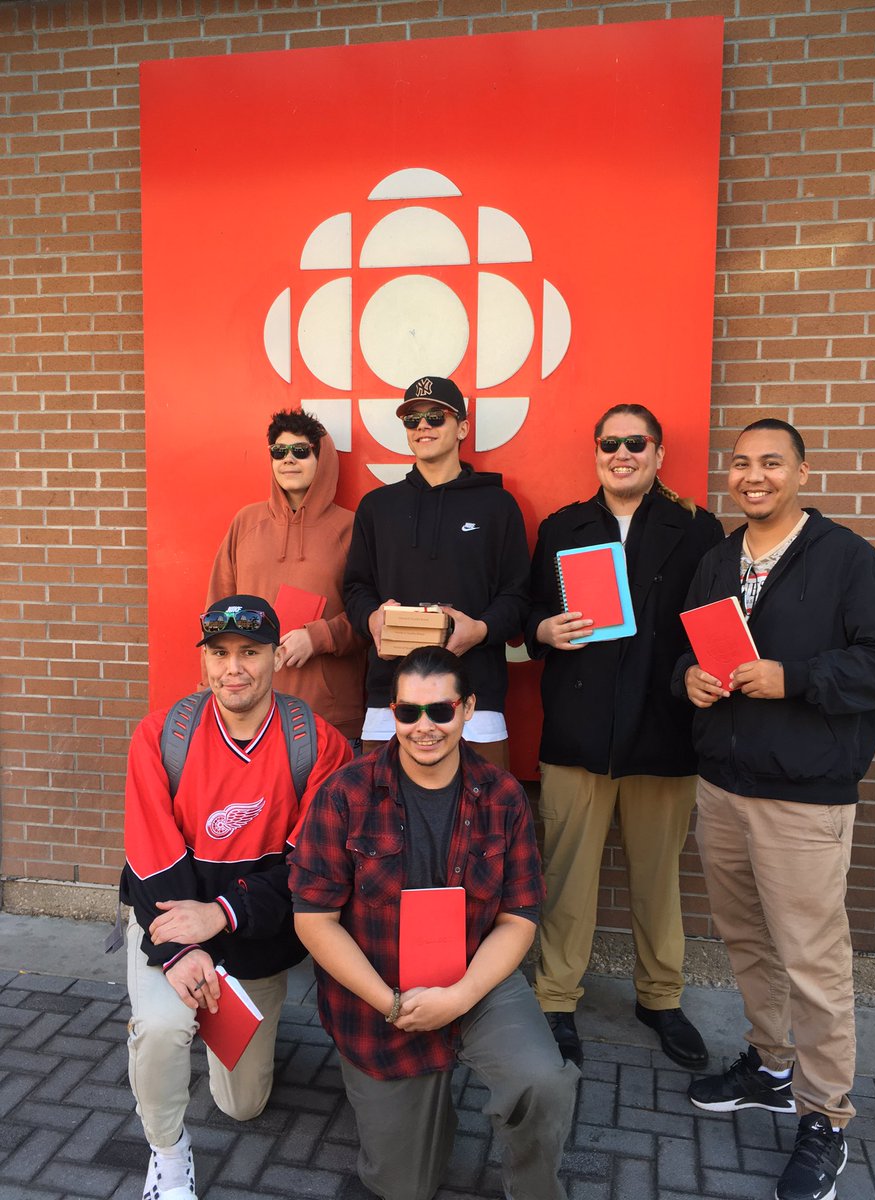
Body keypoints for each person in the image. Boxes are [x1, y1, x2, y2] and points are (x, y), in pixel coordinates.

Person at [675, 419, 875, 1200]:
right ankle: (772, 1066)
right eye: (741, 464)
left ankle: (826, 1117)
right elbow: (692, 650)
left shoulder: (846, 560)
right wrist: (690, 681)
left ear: (803, 473)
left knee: (813, 960)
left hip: (803, 801)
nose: (754, 476)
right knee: (745, 941)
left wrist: (795, 677)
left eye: (772, 463)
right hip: (724, 787)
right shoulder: (717, 559)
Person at [289, 646, 579, 1200]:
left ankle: (536, 1191)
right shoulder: (345, 794)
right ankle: (422, 1115)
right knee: (404, 1188)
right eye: (409, 712)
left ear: (467, 709)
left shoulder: (503, 796)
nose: (425, 727)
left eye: (441, 711)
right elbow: (314, 920)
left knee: (543, 1082)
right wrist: (389, 1002)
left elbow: (519, 918)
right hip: (379, 997)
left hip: (476, 976)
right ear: (392, 712)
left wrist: (464, 994)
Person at [121, 594, 351, 1200]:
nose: (234, 668)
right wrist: (180, 951)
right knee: (163, 1030)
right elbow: (149, 858)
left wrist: (221, 915)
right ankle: (169, 1155)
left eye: (250, 652)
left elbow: (312, 867)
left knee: (244, 1105)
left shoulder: (317, 745)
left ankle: (208, 1035)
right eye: (219, 653)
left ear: (278, 656)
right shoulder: (162, 736)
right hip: (170, 926)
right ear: (204, 661)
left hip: (250, 938)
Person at [526, 404, 723, 1070]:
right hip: (578, 735)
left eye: (635, 442)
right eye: (609, 442)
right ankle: (555, 1001)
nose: (622, 452)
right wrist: (543, 631)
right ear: (597, 453)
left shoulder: (697, 530)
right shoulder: (562, 527)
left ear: (658, 454)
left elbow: (715, 625)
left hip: (664, 734)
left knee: (658, 880)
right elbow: (528, 611)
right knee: (567, 878)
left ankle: (661, 999)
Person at [343, 376, 530, 768]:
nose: (423, 427)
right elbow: (356, 587)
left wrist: (480, 630)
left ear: (462, 427)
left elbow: (518, 595)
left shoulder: (498, 506)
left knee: (481, 824)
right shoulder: (377, 507)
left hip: (476, 701)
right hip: (391, 700)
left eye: (436, 417)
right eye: (413, 420)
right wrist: (372, 618)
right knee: (386, 825)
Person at [207, 408, 366, 741]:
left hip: (328, 717)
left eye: (301, 451)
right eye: (279, 452)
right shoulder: (246, 523)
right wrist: (214, 694)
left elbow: (370, 618)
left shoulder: (352, 528)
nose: (288, 459)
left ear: (321, 458)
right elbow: (216, 615)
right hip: (252, 713)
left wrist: (319, 637)